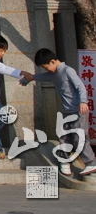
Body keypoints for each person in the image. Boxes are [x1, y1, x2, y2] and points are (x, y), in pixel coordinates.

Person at [32, 48, 96, 177]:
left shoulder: (67, 70)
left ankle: (91, 162)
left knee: (79, 137)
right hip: (67, 111)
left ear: (53, 61)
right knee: (64, 136)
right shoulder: (54, 73)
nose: (46, 70)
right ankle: (64, 161)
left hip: (78, 110)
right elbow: (43, 77)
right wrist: (30, 78)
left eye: (46, 67)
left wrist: (83, 102)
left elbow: (80, 86)